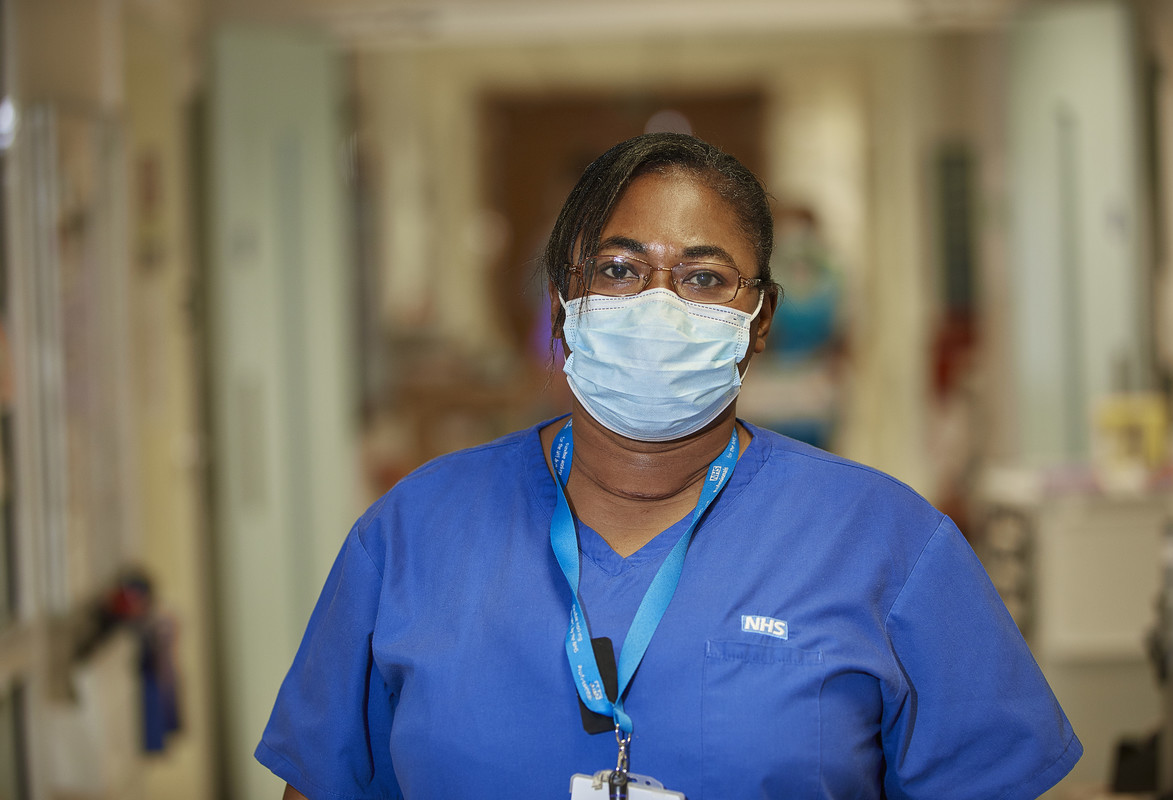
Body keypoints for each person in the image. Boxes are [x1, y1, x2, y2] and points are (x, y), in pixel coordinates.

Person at [256, 133, 1081, 800]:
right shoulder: (413, 533)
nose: (660, 304)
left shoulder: (887, 546)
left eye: (703, 276)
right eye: (619, 270)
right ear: (561, 305)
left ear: (758, 323)